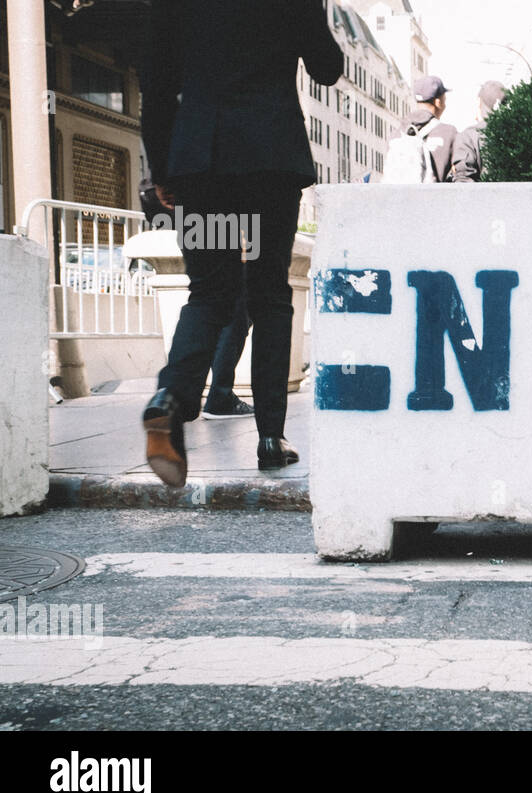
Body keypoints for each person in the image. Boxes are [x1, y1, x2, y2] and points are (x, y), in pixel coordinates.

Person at [140, 0, 343, 487]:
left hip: (201, 166)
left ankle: (170, 398)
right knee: (271, 295)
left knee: (209, 293)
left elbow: (157, 88)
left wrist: (164, 170)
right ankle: (271, 439)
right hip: (271, 162)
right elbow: (328, 69)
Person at [140, 173, 254, 420]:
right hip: (235, 189)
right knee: (238, 306)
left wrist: (162, 177)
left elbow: (157, 133)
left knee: (205, 298)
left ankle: (170, 395)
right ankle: (222, 396)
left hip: (191, 190)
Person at [396, 75, 458, 183]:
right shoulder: (449, 134)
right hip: (434, 198)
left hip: (401, 198)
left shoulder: (396, 134)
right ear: (438, 102)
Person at [451, 80, 507, 183]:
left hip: (482, 197)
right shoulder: (519, 133)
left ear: (480, 103)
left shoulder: (468, 136)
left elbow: (463, 180)